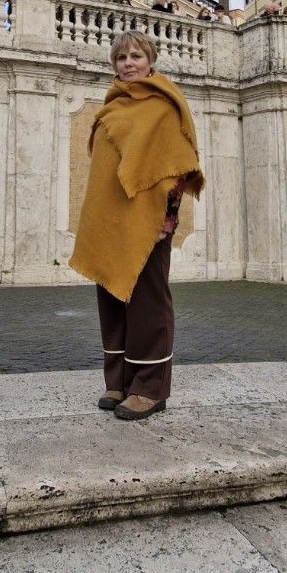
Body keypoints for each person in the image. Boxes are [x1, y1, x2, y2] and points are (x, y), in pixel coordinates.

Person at [70, 32, 204, 421]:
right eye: (121, 58)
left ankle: (150, 388)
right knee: (112, 297)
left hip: (150, 222)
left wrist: (167, 217)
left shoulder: (164, 106)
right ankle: (120, 381)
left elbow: (178, 164)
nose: (128, 63)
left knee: (147, 302)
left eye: (136, 56)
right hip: (111, 221)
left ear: (150, 60)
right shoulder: (111, 107)